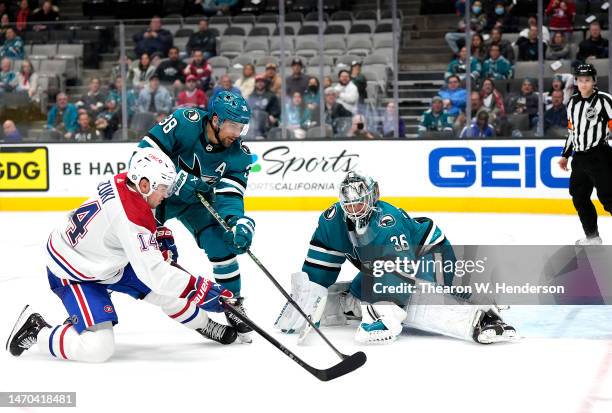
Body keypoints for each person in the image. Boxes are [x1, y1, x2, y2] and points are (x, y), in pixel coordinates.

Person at [6, 148, 240, 363]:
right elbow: (157, 274)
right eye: (163, 188)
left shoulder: (127, 182)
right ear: (145, 184)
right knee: (98, 349)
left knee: (168, 292)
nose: (166, 195)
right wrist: (205, 292)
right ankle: (38, 331)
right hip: (75, 269)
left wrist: (157, 233)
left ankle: (205, 325)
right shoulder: (131, 218)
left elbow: (136, 223)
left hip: (105, 258)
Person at [274, 171, 517, 345]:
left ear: (372, 197)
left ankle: (481, 316)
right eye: (349, 204)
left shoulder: (387, 222)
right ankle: (343, 301)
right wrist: (310, 293)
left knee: (418, 301)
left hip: (430, 255)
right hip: (381, 265)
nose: (354, 209)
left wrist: (385, 314)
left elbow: (398, 275)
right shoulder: (332, 220)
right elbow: (320, 263)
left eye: (360, 203)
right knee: (362, 290)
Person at [136, 92, 255, 342]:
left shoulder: (240, 155)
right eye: (233, 125)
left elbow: (230, 196)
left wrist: (235, 222)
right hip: (159, 195)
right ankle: (199, 321)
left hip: (197, 201)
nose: (238, 133)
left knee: (223, 244)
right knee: (151, 259)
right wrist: (177, 178)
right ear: (215, 119)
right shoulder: (184, 121)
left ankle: (231, 303)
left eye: (242, 127)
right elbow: (143, 153)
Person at [559, 64, 612, 245]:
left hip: (600, 156)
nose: (583, 84)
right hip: (579, 158)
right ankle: (593, 237)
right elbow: (572, 131)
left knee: (608, 198)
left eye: (587, 80)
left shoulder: (604, 100)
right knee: (579, 196)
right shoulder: (572, 102)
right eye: (580, 80)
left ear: (594, 81)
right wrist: (565, 154)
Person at [247, 74, 280, 138]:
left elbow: (276, 109)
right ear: (255, 83)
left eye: (262, 82)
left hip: (268, 124)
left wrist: (273, 116)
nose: (260, 83)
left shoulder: (271, 95)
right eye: (258, 82)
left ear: (265, 83)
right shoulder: (251, 96)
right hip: (254, 124)